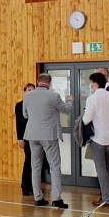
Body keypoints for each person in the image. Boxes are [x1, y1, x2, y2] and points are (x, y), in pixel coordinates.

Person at [23, 73, 73, 208]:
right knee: (54, 166)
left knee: (35, 166)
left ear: (38, 82)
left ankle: (38, 198)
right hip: (49, 135)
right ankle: (56, 198)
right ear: (49, 82)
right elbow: (67, 110)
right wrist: (70, 100)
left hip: (32, 135)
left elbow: (25, 114)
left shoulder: (27, 96)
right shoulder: (54, 95)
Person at [82, 72, 109, 207]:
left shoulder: (92, 99)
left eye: (91, 84)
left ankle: (106, 197)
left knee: (101, 169)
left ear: (95, 84)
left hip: (98, 138)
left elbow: (86, 119)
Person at [16, 83, 47, 196]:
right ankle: (25, 186)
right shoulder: (19, 105)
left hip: (36, 136)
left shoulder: (37, 105)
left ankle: (32, 186)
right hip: (26, 136)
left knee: (36, 162)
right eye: (28, 90)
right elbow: (19, 123)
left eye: (32, 90)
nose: (30, 92)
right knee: (29, 160)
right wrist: (20, 138)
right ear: (24, 91)